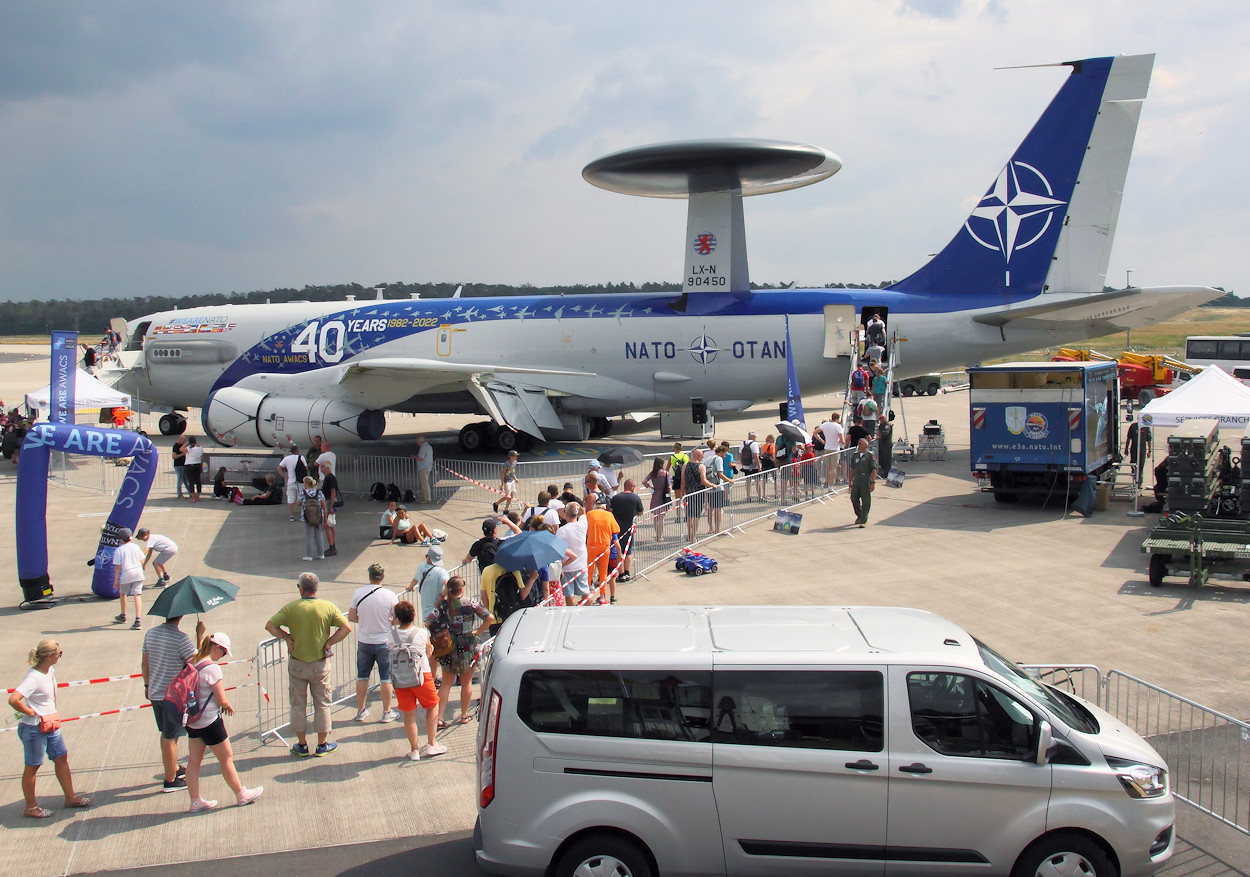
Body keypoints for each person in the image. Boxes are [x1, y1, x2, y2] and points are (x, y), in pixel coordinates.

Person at [264, 572, 352, 757]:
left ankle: (302, 744)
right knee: (322, 704)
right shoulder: (327, 607)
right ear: (316, 588)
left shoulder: (291, 608)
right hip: (319, 664)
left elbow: (270, 625)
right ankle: (322, 744)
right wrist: (328, 642)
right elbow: (346, 628)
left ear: (301, 588)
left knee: (298, 704)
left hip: (298, 663)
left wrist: (287, 638)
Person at [9, 640, 92, 818]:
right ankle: (31, 807)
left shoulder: (49, 671)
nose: (60, 656)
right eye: (58, 654)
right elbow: (14, 699)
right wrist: (30, 711)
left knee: (61, 757)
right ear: (48, 656)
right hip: (34, 728)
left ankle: (70, 797)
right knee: (33, 765)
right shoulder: (33, 677)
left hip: (51, 723)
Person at [183, 632, 263, 811]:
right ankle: (241, 793)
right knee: (226, 758)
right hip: (210, 721)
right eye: (224, 652)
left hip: (193, 721)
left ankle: (195, 801)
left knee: (194, 761)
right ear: (216, 648)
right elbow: (221, 699)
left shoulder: (193, 660)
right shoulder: (212, 669)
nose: (223, 656)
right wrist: (227, 706)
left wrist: (199, 632)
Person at [142, 614, 205, 793]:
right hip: (173, 696)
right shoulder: (181, 639)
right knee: (171, 738)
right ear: (181, 616)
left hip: (155, 692)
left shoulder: (150, 634)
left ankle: (174, 767)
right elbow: (197, 661)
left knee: (166, 734)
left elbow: (144, 664)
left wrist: (147, 685)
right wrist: (199, 636)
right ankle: (170, 780)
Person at [426, 576, 492, 727]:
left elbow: (428, 622)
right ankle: (463, 715)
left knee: (446, 683)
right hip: (468, 645)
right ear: (462, 589)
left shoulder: (443, 605)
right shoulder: (470, 602)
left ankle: (440, 717)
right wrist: (477, 631)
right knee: (466, 682)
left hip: (449, 646)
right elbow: (489, 617)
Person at [390, 600, 446, 760]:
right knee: (432, 706)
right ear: (413, 616)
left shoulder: (391, 636)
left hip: (400, 679)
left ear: (397, 618)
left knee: (409, 714)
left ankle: (414, 749)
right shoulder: (422, 633)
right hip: (422, 676)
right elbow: (428, 652)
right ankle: (431, 743)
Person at [349, 563, 400, 724]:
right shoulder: (390, 595)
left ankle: (361, 710)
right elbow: (397, 618)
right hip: (384, 641)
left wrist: (364, 620)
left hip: (364, 640)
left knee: (362, 676)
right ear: (382, 577)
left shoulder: (358, 593)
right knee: (386, 678)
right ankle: (386, 712)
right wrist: (388, 622)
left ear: (369, 576)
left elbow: (351, 617)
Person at [609, 480, 645, 584]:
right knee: (628, 551)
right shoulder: (635, 498)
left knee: (618, 551)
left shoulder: (615, 498)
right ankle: (627, 572)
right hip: (629, 529)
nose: (634, 488)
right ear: (629, 486)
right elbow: (641, 511)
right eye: (633, 486)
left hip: (617, 528)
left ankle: (621, 574)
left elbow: (610, 511)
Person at [112, 527, 146, 629]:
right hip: (138, 573)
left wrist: (116, 580)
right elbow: (141, 560)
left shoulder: (119, 550)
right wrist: (142, 567)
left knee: (123, 594)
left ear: (121, 539)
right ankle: (138, 619)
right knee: (137, 595)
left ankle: (123, 615)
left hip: (127, 573)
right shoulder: (135, 546)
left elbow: (118, 566)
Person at [584, 505, 620, 598]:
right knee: (603, 572)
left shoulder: (589, 514)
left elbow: (585, 529)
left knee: (589, 571)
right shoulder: (609, 515)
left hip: (592, 545)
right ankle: (602, 596)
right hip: (605, 546)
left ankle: (586, 595)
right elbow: (616, 530)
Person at [556, 503, 590, 600]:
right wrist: (578, 506)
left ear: (566, 514)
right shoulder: (582, 525)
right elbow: (583, 513)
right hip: (581, 564)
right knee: (585, 592)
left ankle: (572, 611)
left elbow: (558, 550)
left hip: (567, 566)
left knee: (569, 595)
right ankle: (587, 609)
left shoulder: (562, 531)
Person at [682, 449, 714, 543]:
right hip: (698, 492)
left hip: (688, 492)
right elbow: (703, 480)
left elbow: (683, 480)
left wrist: (682, 492)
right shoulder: (701, 466)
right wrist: (712, 485)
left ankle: (689, 534)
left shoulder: (685, 465)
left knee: (689, 515)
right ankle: (693, 536)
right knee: (696, 515)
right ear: (698, 456)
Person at [409, 545, 449, 618]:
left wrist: (410, 587)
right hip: (438, 610)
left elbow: (415, 579)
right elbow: (449, 585)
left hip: (426, 613)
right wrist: (442, 595)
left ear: (428, 557)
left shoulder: (421, 566)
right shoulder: (441, 571)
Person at [848, 437, 878, 528]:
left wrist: (873, 482)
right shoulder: (855, 455)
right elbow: (852, 469)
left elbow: (874, 469)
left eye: (861, 443)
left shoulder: (870, 455)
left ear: (865, 445)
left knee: (866, 500)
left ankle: (863, 519)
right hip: (857, 480)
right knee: (854, 498)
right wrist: (850, 481)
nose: (859, 445)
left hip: (865, 481)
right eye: (859, 443)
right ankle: (860, 514)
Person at [641, 457, 671, 541]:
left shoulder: (653, 473)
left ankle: (656, 534)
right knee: (662, 517)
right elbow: (669, 486)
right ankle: (660, 535)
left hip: (655, 494)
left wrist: (651, 486)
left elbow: (644, 481)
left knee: (655, 517)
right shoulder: (665, 473)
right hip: (663, 495)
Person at [299, 475, 327, 562]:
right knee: (319, 535)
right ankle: (321, 554)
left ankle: (309, 555)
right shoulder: (319, 492)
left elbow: (298, 503)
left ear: (306, 484)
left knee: (309, 536)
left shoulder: (303, 493)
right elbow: (324, 505)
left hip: (307, 517)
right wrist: (325, 517)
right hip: (318, 517)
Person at [818, 413, 846, 485]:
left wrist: (822, 441)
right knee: (834, 468)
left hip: (827, 447)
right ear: (838, 418)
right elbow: (843, 440)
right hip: (835, 448)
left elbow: (815, 433)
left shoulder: (825, 425)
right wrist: (839, 441)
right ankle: (831, 485)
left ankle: (826, 482)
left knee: (828, 467)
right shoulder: (838, 426)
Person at [319, 460, 339, 557]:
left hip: (328, 502)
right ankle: (332, 546)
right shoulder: (329, 477)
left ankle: (332, 546)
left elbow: (333, 492)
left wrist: (330, 506)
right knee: (330, 525)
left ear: (327, 467)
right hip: (329, 502)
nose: (321, 468)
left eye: (322, 466)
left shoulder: (329, 478)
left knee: (327, 525)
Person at [279, 444, 304, 522]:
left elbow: (278, 468)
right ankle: (302, 516)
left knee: (290, 499)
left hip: (290, 481)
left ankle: (291, 516)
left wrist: (285, 477)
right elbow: (306, 468)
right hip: (299, 481)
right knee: (302, 498)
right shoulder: (301, 457)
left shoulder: (286, 458)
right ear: (297, 451)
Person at [411, 435, 435, 504]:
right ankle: (424, 497)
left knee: (424, 484)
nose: (417, 443)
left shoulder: (423, 448)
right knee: (425, 483)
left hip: (424, 467)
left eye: (417, 442)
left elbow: (420, 458)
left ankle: (427, 499)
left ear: (420, 441)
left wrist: (414, 457)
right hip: (428, 467)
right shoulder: (429, 447)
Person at [183, 436, 204, 503]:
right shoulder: (200, 447)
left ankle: (193, 496)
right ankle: (198, 495)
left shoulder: (189, 448)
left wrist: (187, 444)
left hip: (189, 465)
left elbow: (181, 449)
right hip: (197, 464)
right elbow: (202, 456)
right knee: (198, 480)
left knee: (191, 481)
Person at [172, 436, 188, 500]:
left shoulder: (181, 446)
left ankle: (190, 492)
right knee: (180, 479)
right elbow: (174, 456)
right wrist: (182, 454)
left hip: (182, 465)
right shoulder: (176, 446)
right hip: (178, 465)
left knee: (185, 479)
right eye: (183, 441)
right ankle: (179, 494)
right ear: (180, 440)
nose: (183, 443)